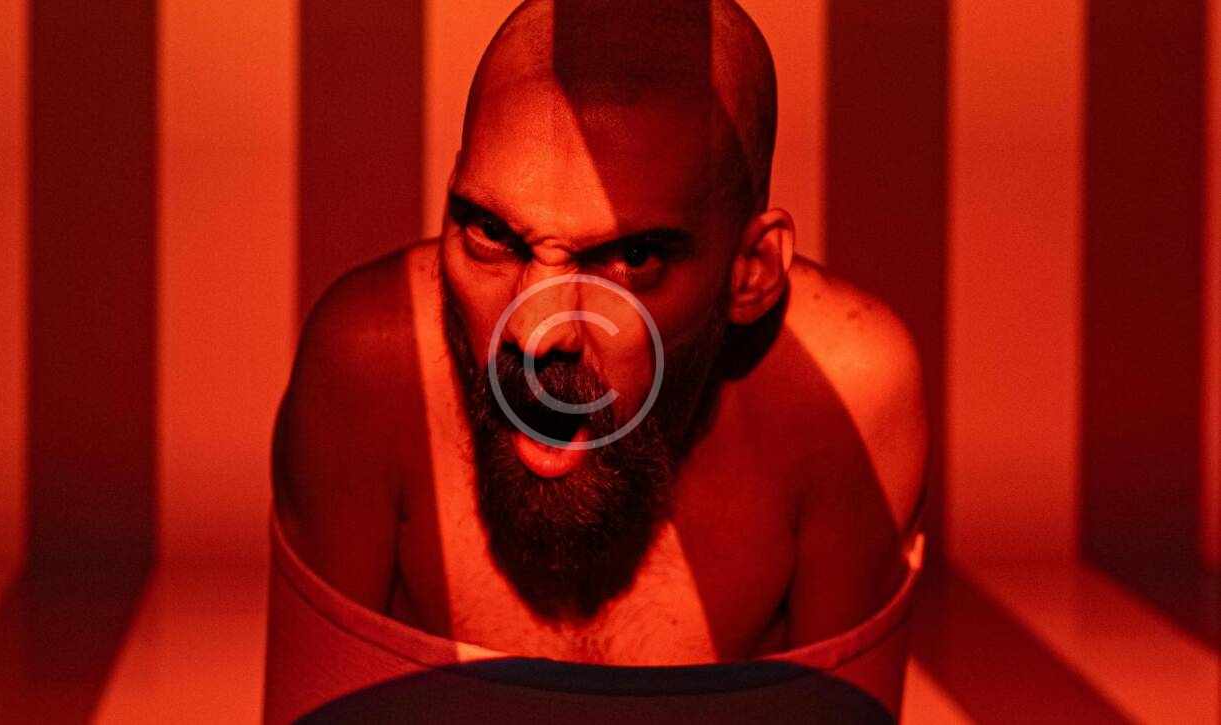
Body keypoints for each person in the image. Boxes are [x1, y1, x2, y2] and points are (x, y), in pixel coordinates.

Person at [267, 0, 926, 719]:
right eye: (492, 233)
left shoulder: (845, 393)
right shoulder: (369, 368)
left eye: (632, 257)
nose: (536, 332)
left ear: (751, 272)